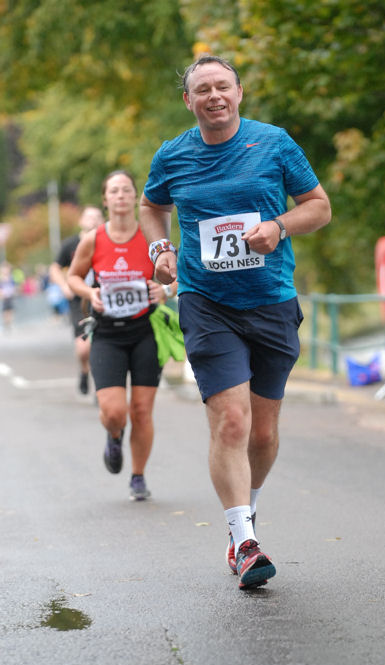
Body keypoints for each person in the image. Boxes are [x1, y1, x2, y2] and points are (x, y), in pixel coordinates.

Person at [139, 55, 331, 589]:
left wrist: (279, 226)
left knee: (264, 433)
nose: (214, 96)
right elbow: (151, 206)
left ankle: (247, 511)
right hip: (207, 303)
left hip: (271, 301)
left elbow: (319, 206)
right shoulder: (173, 154)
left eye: (223, 86)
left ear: (239, 93)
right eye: (203, 89)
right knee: (232, 422)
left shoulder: (273, 143)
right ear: (189, 100)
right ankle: (242, 540)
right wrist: (161, 247)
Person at [68, 171, 177, 501]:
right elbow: (73, 276)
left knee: (142, 410)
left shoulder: (150, 235)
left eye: (126, 190)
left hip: (145, 331)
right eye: (113, 190)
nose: (120, 196)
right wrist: (89, 292)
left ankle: (138, 476)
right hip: (108, 334)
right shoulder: (94, 239)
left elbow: (176, 274)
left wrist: (166, 290)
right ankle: (114, 436)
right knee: (115, 411)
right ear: (105, 199)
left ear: (134, 196)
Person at [49, 206, 104, 394]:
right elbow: (54, 268)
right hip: (79, 301)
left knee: (101, 343)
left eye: (97, 216)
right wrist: (65, 286)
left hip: (103, 298)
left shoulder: (107, 242)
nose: (93, 220)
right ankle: (84, 370)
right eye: (89, 216)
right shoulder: (70, 245)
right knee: (83, 348)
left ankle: (101, 385)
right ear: (81, 221)